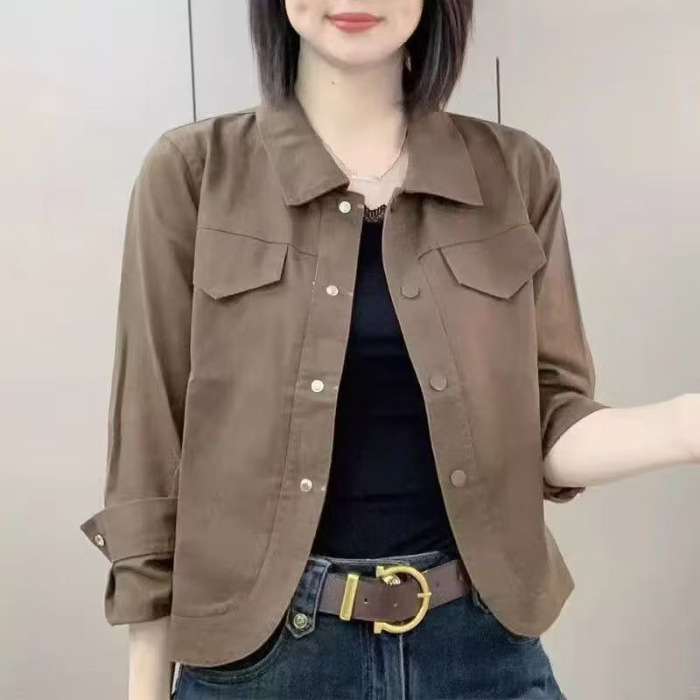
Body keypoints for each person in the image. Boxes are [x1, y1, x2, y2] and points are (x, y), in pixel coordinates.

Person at [79, 1, 700, 698]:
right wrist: (146, 684)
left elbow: (549, 422)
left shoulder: (516, 172)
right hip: (263, 665)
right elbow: (149, 453)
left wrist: (684, 424)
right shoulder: (193, 173)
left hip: (479, 651)